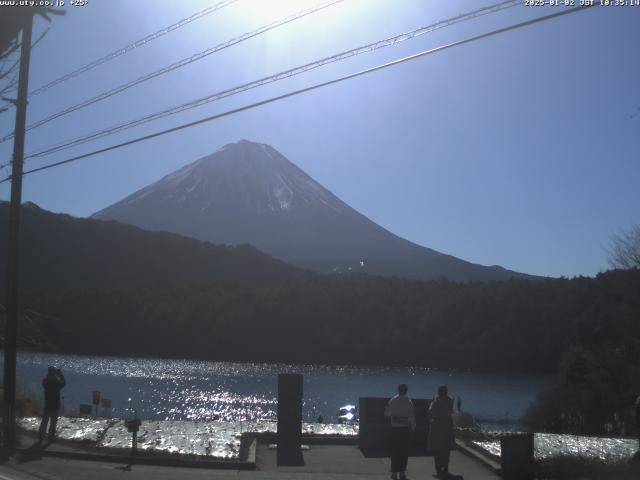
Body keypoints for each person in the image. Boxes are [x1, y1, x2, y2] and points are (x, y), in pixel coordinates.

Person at [384, 384, 416, 480]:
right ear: (406, 391)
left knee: (395, 451)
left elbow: (386, 413)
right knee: (403, 452)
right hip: (404, 430)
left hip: (395, 429)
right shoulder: (409, 402)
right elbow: (412, 417)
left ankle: (394, 473)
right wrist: (413, 428)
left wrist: (393, 415)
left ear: (398, 390)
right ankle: (402, 473)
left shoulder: (393, 400)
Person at [428, 384, 454, 478]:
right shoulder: (450, 401)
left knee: (437, 448)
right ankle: (445, 467)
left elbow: (430, 412)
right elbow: (451, 411)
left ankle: (438, 468)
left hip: (437, 426)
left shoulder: (436, 401)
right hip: (447, 426)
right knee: (446, 449)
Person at [38, 366, 66, 443]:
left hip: (47, 405)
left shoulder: (45, 382)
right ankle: (51, 438)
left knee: (44, 422)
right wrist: (60, 374)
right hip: (55, 406)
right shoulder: (57, 383)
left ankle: (41, 436)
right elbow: (63, 383)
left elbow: (48, 381)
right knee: (53, 423)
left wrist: (56, 375)